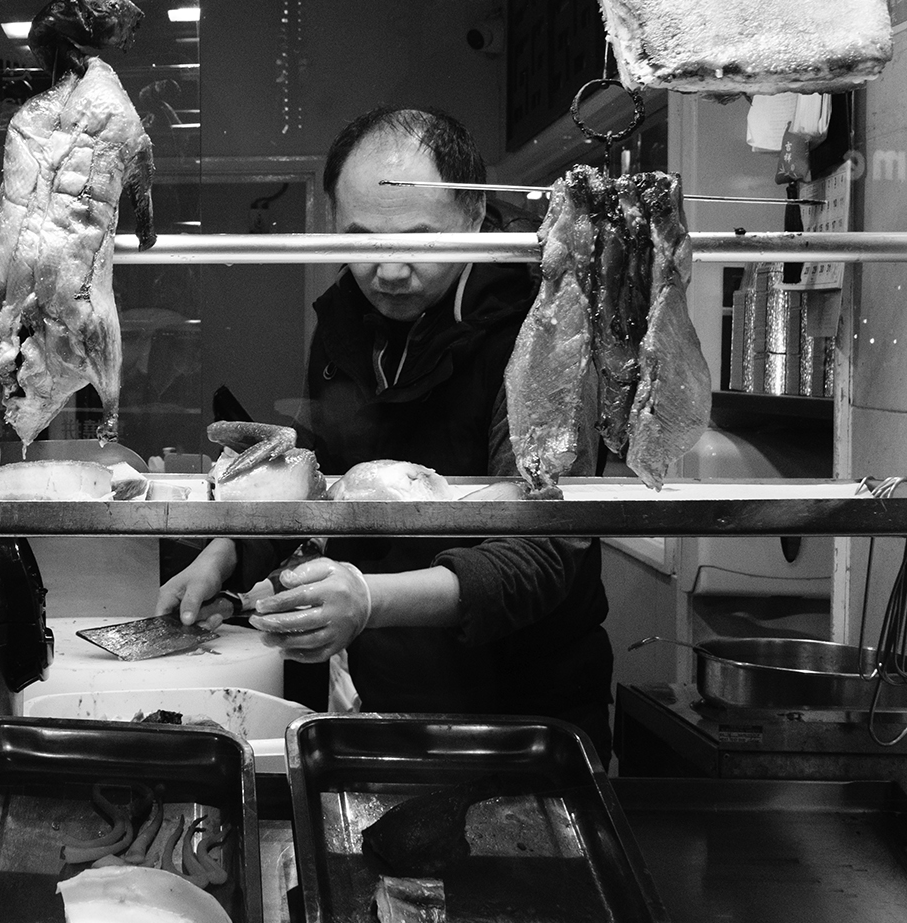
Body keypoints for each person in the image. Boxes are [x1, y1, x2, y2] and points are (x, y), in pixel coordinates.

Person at [157, 106, 613, 751]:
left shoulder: (540, 329)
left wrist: (370, 600)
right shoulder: (345, 321)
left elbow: (544, 552)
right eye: (363, 241)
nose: (390, 271)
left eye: (420, 241)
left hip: (519, 711)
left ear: (474, 217)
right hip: (382, 686)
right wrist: (228, 553)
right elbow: (322, 480)